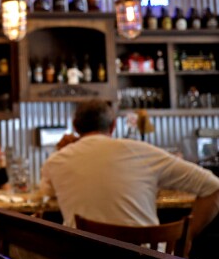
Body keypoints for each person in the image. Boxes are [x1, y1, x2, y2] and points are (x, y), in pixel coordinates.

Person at [38, 99, 219, 236]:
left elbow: (46, 194)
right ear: (114, 125)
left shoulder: (56, 161)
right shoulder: (141, 151)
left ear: (75, 127)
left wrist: (65, 150)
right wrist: (186, 238)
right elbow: (214, 186)